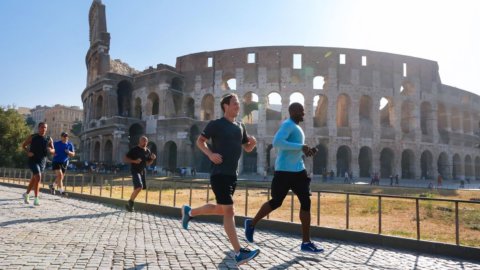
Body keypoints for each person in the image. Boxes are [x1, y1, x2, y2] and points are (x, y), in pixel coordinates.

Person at [181, 94, 260, 266]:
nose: (238, 107)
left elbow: (246, 148)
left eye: (238, 104)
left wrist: (252, 143)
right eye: (234, 104)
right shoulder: (216, 124)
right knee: (229, 211)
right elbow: (200, 141)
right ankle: (239, 253)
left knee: (221, 210)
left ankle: (189, 213)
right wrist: (210, 154)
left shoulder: (240, 126)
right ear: (225, 106)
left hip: (232, 175)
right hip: (219, 173)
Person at [244, 102, 324, 253]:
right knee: (276, 202)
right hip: (284, 171)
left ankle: (306, 242)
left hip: (299, 171)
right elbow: (277, 142)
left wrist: (305, 152)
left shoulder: (297, 128)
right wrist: (301, 147)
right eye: (301, 111)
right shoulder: (288, 125)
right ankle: (252, 223)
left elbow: (293, 148)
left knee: (306, 202)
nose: (304, 114)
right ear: (292, 111)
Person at [21, 122, 55, 206]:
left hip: (42, 161)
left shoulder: (49, 138)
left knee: (35, 178)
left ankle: (26, 194)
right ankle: (36, 199)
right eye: (42, 127)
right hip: (33, 160)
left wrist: (51, 150)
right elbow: (24, 145)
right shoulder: (33, 137)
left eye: (45, 128)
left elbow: (53, 150)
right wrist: (28, 152)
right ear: (38, 128)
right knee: (38, 177)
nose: (44, 129)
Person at [123, 136, 156, 212]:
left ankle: (130, 205)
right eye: (143, 141)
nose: (145, 143)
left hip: (142, 171)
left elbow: (147, 163)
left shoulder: (147, 151)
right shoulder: (134, 149)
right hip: (135, 170)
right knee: (139, 187)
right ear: (140, 141)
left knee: (138, 188)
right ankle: (130, 202)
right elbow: (125, 159)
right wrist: (135, 161)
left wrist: (152, 159)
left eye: (146, 141)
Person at [49, 132, 75, 196]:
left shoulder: (70, 144)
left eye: (66, 136)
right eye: (64, 136)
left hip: (64, 163)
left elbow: (73, 154)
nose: (65, 137)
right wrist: (52, 152)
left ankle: (52, 186)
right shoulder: (56, 143)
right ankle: (62, 191)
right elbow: (50, 148)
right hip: (56, 161)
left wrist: (68, 152)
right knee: (60, 175)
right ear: (61, 137)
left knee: (61, 177)